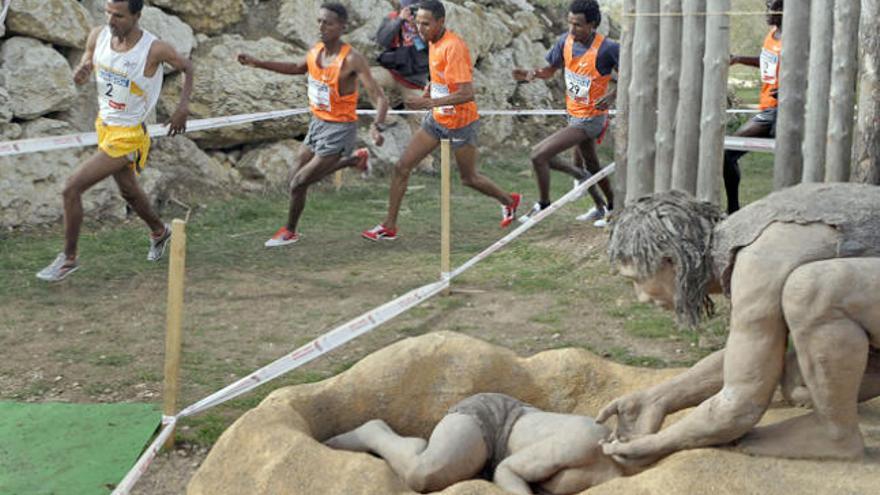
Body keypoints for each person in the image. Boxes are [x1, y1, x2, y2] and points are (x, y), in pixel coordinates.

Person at [597, 183, 880, 466]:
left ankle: (835, 434)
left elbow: (741, 404)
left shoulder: (757, 261)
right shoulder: (739, 241)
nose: (641, 296)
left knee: (812, 290)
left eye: (636, 278)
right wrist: (659, 398)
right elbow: (750, 362)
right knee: (801, 381)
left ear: (671, 261)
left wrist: (660, 442)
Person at [36, 0, 193, 282]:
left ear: (136, 15)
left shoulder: (154, 48)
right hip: (105, 126)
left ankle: (68, 259)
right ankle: (160, 231)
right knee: (129, 192)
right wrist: (83, 69)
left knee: (71, 188)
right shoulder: (99, 35)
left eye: (119, 16)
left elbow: (187, 67)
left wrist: (182, 108)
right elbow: (88, 59)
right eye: (108, 13)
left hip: (129, 134)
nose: (111, 20)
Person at [361, 0, 521, 241]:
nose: (420, 28)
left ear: (440, 22)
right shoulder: (433, 42)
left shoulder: (453, 47)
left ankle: (509, 200)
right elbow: (442, 78)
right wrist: (430, 91)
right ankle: (388, 226)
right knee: (402, 167)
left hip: (461, 123)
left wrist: (426, 103)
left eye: (426, 24)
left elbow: (467, 93)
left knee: (468, 178)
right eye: (417, 23)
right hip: (436, 121)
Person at [238, 3, 389, 247]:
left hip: (339, 129)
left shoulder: (352, 59)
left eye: (328, 23)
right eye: (319, 21)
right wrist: (258, 62)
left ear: (342, 27)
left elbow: (379, 97)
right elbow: (298, 68)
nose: (321, 27)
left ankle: (290, 231)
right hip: (317, 124)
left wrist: (377, 126)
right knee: (294, 179)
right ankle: (353, 161)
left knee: (300, 182)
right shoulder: (316, 50)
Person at [325, 393, 641, 494]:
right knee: (423, 474)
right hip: (491, 424)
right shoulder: (588, 440)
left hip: (497, 454)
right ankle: (374, 434)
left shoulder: (634, 477)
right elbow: (508, 472)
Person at [512, 0, 616, 228]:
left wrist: (612, 95)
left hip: (591, 119)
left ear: (593, 24)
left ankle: (543, 204)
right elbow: (550, 70)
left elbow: (632, 74)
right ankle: (608, 206)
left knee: (539, 155)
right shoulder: (565, 41)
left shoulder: (607, 48)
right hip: (573, 114)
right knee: (593, 166)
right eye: (570, 23)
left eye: (578, 25)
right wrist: (533, 74)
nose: (572, 29)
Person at [723, 0, 783, 214]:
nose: (768, 13)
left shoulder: (795, 39)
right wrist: (739, 59)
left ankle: (734, 210)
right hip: (766, 106)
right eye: (767, 7)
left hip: (779, 110)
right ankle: (734, 209)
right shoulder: (772, 35)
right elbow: (767, 62)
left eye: (773, 8)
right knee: (729, 153)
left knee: (729, 152)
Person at [374, 0, 429, 106]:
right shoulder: (392, 17)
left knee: (419, 117)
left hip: (414, 81)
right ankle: (387, 119)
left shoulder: (428, 22)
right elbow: (382, 40)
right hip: (392, 72)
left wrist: (417, 29)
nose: (411, 12)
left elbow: (429, 49)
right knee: (369, 78)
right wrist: (399, 20)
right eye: (408, 8)